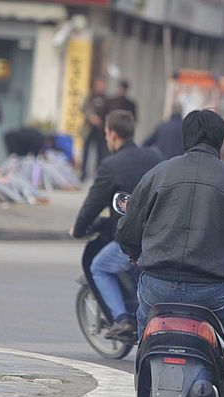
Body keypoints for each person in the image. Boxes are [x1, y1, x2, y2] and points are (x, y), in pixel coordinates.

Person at [116, 109, 224, 397]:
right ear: (223, 142)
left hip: (157, 289)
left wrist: (136, 255)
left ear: (185, 137)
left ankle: (146, 382)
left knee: (143, 315)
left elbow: (127, 229)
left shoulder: (157, 174)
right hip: (212, 294)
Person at [69, 110, 164, 339]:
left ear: (111, 134)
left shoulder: (111, 165)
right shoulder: (156, 157)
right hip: (161, 236)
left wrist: (78, 229)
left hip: (133, 240)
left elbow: (92, 205)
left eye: (105, 134)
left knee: (99, 267)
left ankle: (123, 320)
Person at [80, 77, 109, 182]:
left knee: (100, 152)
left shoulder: (106, 98)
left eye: (103, 85)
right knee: (86, 151)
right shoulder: (90, 96)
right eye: (99, 85)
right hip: (89, 128)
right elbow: (83, 108)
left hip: (100, 129)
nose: (101, 87)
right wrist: (91, 116)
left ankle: (97, 174)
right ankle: (83, 173)